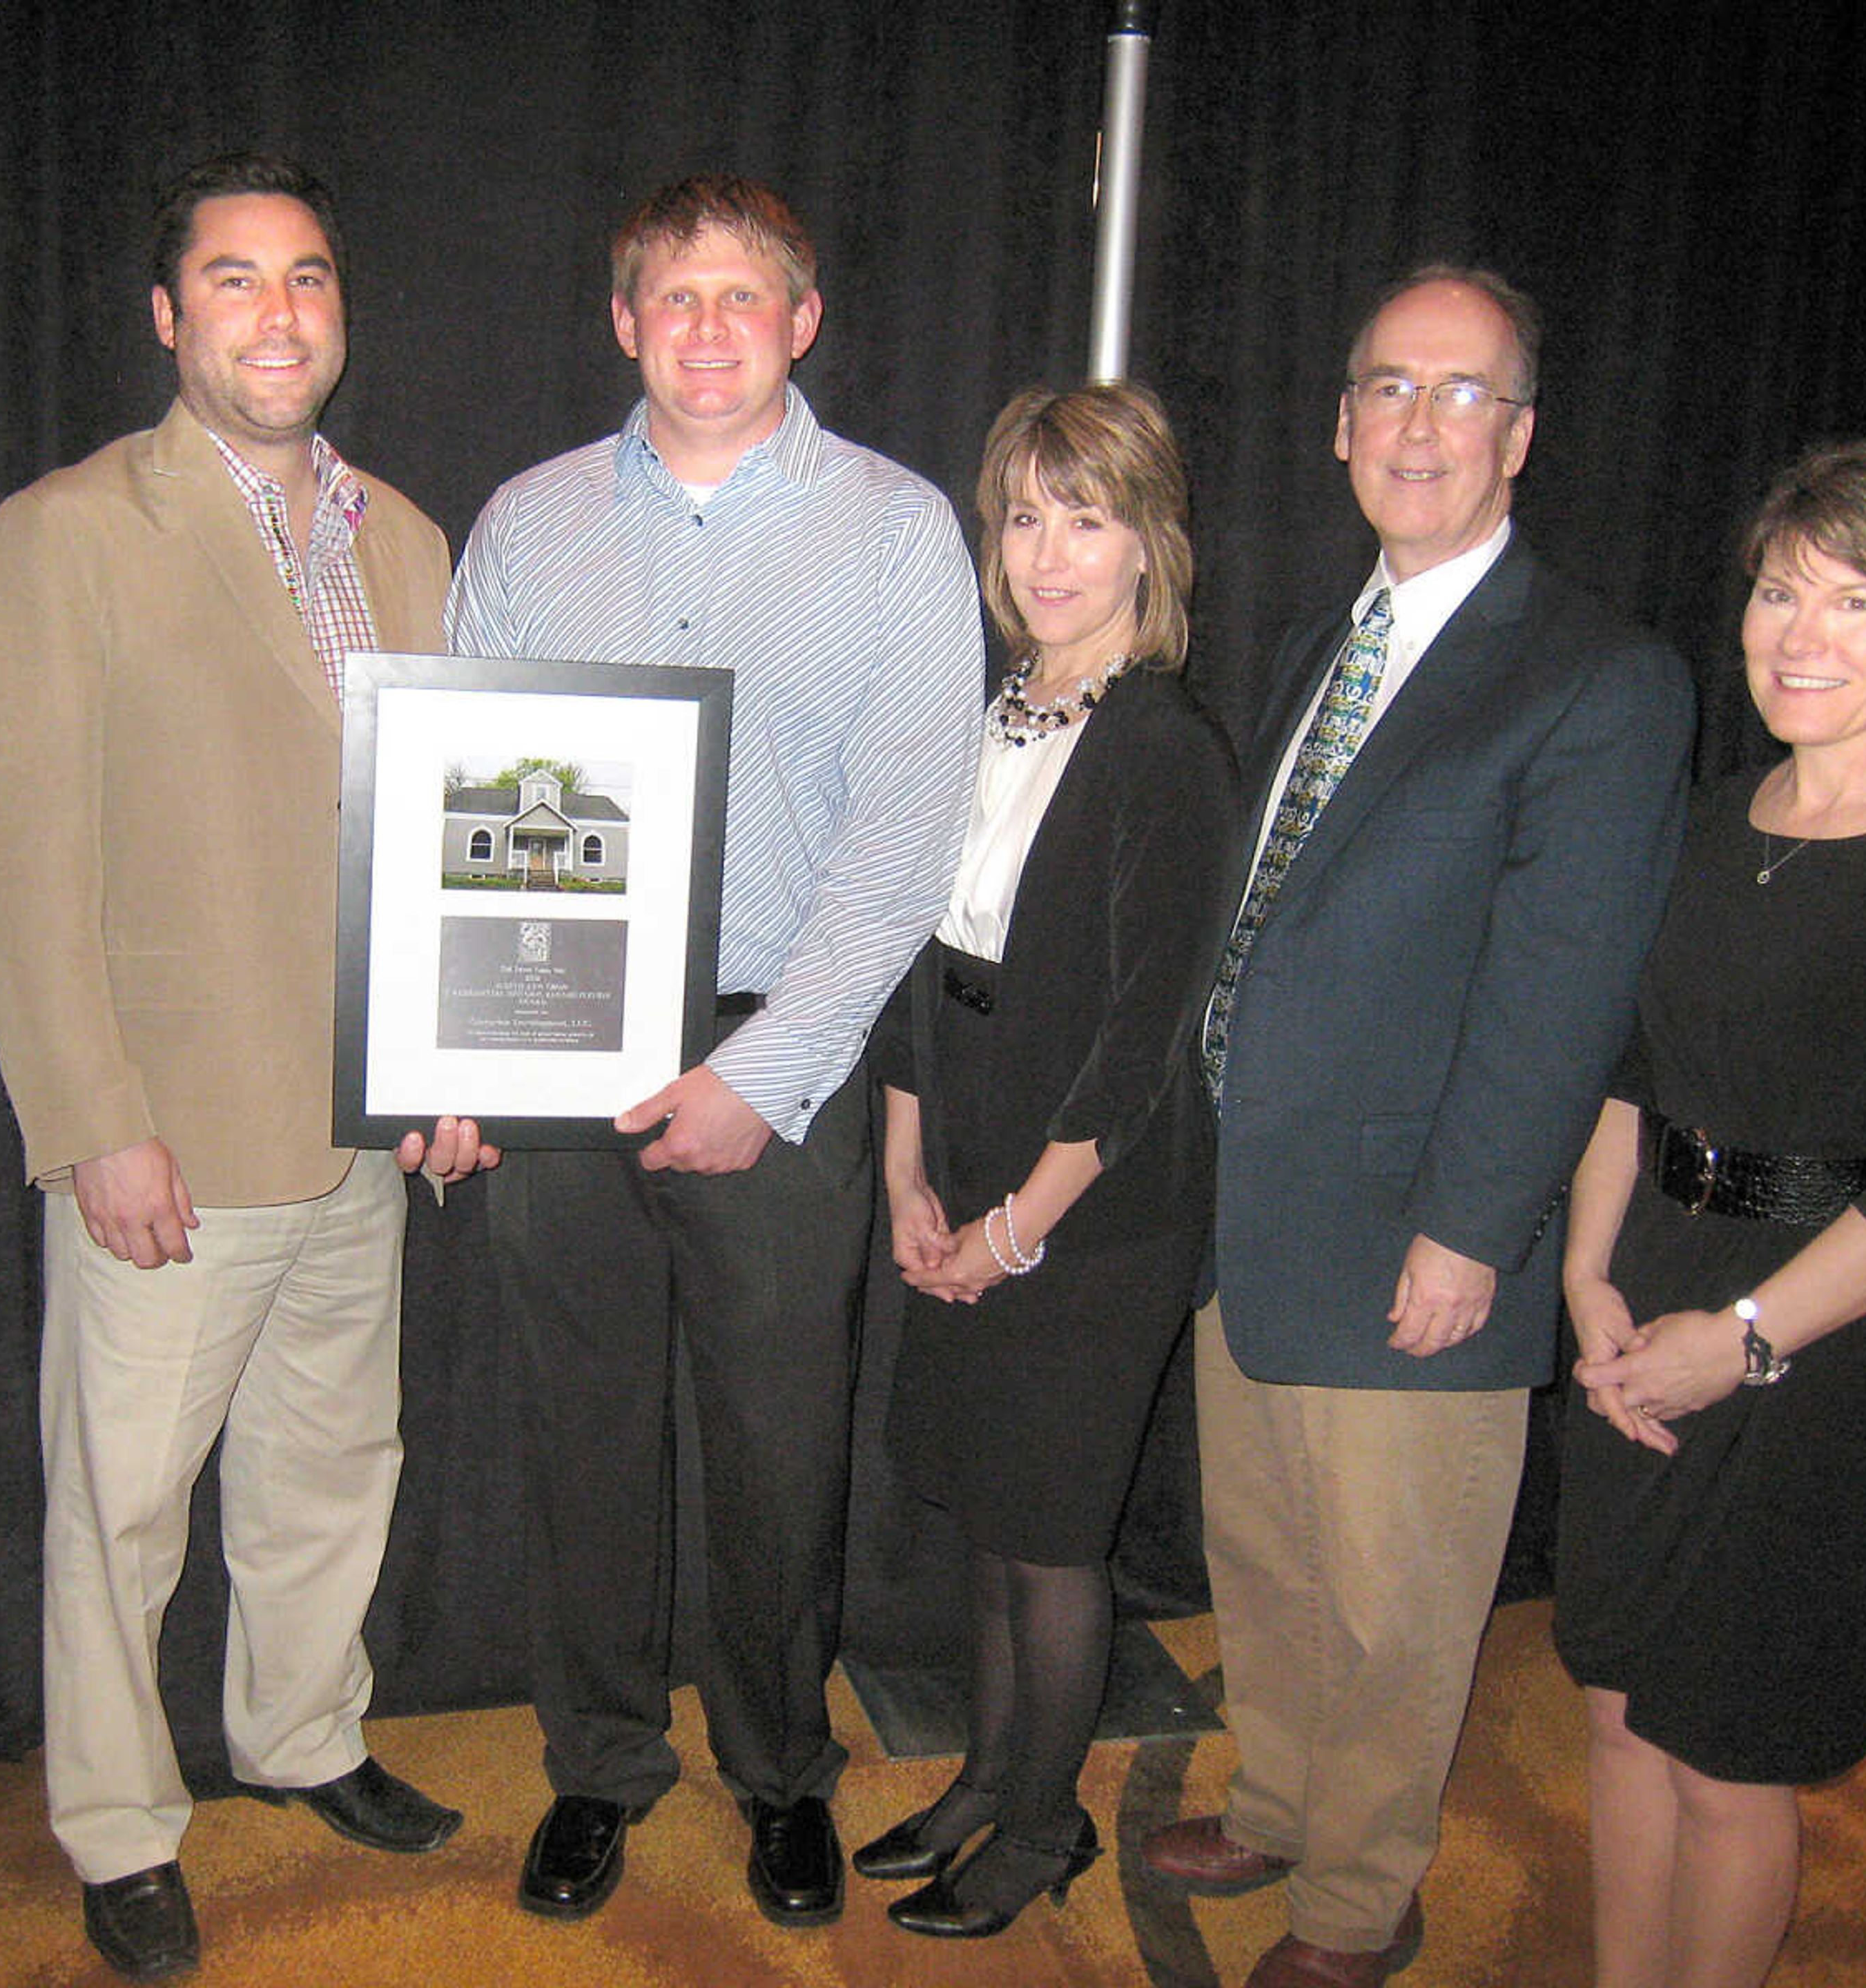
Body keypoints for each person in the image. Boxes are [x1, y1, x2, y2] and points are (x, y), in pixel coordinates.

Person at [0, 153, 489, 1982]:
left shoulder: (407, 540)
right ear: (170, 317)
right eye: (236, 281)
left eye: (309, 279)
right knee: (123, 1504)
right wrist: (94, 1125)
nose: (279, 314)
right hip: (171, 1131)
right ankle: (116, 1824)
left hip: (362, 1127)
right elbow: (17, 860)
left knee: (336, 1460)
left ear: (342, 313)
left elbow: (451, 843)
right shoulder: (66, 533)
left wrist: (453, 1058)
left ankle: (302, 1736)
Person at [1137, 266, 1693, 1988]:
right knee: (1273, 1565)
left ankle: (1356, 1905)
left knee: (1396, 1609)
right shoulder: (1322, 640)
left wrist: (1471, 1231)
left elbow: (1566, 997)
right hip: (1260, 1208)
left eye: (1463, 396)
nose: (1419, 425)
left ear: (1521, 436)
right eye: (1390, 388)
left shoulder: (1601, 679)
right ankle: (1285, 1800)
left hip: (1418, 1244)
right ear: (1339, 425)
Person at [447, 174, 980, 1927]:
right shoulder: (524, 526)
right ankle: (598, 1768)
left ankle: (778, 1776)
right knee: (582, 1439)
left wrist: (766, 1075)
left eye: (742, 298)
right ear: (624, 323)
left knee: (778, 1453)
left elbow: (906, 836)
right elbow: (470, 814)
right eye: (673, 298)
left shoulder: (899, 532)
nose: (706, 329)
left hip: (786, 1055)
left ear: (801, 323)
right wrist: (457, 1050)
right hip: (558, 1053)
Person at [1553, 440, 1866, 1988]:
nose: (1799, 634)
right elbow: (1628, 1074)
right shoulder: (1716, 817)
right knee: (1618, 1708)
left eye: (1856, 599)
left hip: (1824, 1338)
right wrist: (1586, 1279)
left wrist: (1750, 1340)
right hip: (1646, 1289)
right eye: (1782, 593)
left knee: (1727, 1753)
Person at [857, 382, 1240, 1938]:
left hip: (1095, 1207)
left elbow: (1145, 1036)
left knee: (1054, 1533)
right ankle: (990, 1780)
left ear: (1152, 542)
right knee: (985, 1505)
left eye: (1089, 514)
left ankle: (1043, 1829)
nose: (1051, 550)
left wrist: (1017, 1226)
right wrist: (904, 1170)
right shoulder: (984, 706)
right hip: (962, 1151)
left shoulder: (1166, 747)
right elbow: (914, 957)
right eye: (1025, 513)